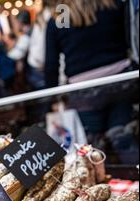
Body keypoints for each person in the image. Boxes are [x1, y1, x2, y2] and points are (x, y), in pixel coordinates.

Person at [45, 0, 133, 145]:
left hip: (83, 92)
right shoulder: (110, 4)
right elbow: (129, 38)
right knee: (123, 139)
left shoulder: (63, 17)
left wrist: (52, 100)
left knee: (92, 147)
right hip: (121, 81)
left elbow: (51, 65)